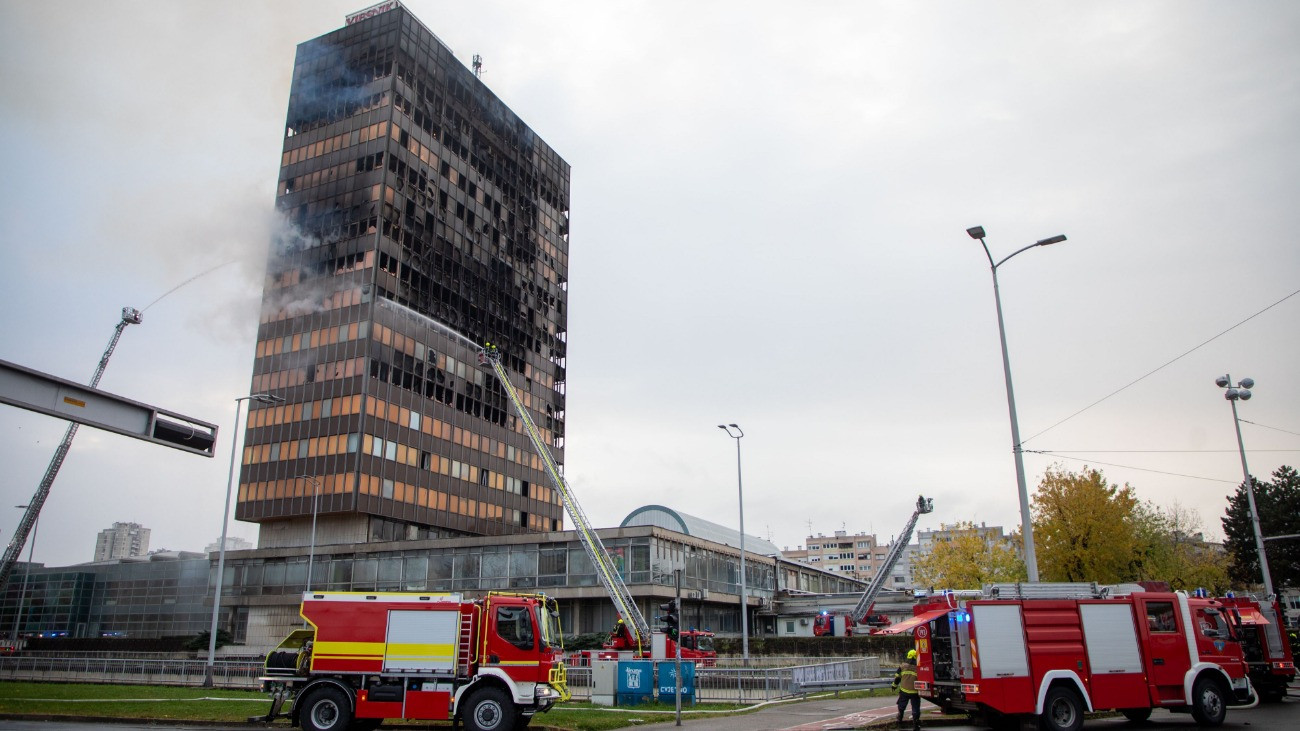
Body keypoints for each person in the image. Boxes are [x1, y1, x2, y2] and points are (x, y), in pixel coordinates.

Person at [891, 648, 920, 730]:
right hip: (915, 692)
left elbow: (897, 678)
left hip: (904, 691)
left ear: (908, 657)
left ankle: (899, 721)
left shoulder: (902, 666)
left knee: (901, 707)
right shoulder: (918, 667)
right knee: (915, 708)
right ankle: (916, 724)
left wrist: (894, 686)